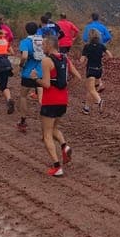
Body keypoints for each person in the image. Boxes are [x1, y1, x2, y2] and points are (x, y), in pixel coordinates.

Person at [30, 35, 81, 177]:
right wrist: (66, 87)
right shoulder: (65, 58)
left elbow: (46, 84)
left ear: (49, 45)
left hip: (50, 100)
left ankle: (57, 166)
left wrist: (36, 79)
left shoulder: (46, 61)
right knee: (54, 128)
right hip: (62, 100)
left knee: (46, 134)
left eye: (44, 44)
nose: (42, 47)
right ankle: (64, 146)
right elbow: (78, 77)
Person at [17, 22, 45, 133]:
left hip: (28, 73)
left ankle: (23, 121)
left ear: (26, 30)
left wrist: (21, 64)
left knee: (23, 96)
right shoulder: (42, 41)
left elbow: (24, 55)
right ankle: (45, 123)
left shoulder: (25, 42)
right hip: (41, 73)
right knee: (42, 99)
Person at [81, 12, 113, 91]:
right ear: (98, 18)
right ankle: (98, 84)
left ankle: (94, 88)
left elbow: (84, 38)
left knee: (91, 65)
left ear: (91, 18)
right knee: (98, 64)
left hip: (90, 49)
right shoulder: (102, 26)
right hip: (100, 48)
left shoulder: (88, 27)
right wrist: (102, 41)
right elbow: (108, 36)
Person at [79, 29, 106, 114]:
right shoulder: (101, 46)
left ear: (89, 37)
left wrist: (82, 57)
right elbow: (110, 55)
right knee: (91, 89)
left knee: (91, 89)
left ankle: (99, 101)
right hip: (99, 70)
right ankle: (86, 108)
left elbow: (82, 60)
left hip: (91, 70)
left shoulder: (87, 46)